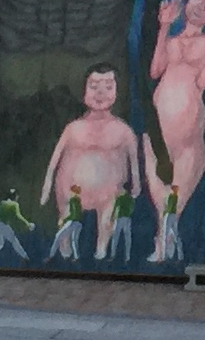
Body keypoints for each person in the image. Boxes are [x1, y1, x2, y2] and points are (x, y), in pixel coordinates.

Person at [145, 0, 205, 261]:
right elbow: (156, 70)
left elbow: (202, 82)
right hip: (158, 127)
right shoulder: (170, 41)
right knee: (158, 192)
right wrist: (164, 26)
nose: (203, 6)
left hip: (188, 129)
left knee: (176, 195)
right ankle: (162, 241)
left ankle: (166, 239)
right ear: (187, 0)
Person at [40, 67, 142, 264]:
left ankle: (101, 250)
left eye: (108, 87)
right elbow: (55, 159)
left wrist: (136, 183)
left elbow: (133, 160)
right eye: (94, 86)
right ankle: (65, 250)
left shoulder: (124, 131)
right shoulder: (73, 128)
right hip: (69, 189)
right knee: (66, 221)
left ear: (117, 91)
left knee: (106, 221)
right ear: (84, 91)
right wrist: (47, 185)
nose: (100, 93)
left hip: (108, 193)